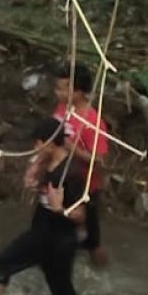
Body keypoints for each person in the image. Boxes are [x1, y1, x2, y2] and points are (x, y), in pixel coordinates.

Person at [0, 118, 88, 295]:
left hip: (59, 240)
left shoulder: (71, 173)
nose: (35, 148)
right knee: (2, 265)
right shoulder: (46, 163)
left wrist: (60, 209)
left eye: (38, 143)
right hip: (41, 232)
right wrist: (33, 179)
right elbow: (40, 186)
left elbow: (81, 215)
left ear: (51, 143)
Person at [47, 63, 110, 266]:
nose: (58, 93)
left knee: (92, 241)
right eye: (57, 88)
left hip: (84, 188)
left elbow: (99, 161)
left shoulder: (93, 121)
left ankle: (102, 273)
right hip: (60, 183)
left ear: (79, 92)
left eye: (63, 88)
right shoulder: (61, 109)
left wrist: (70, 147)